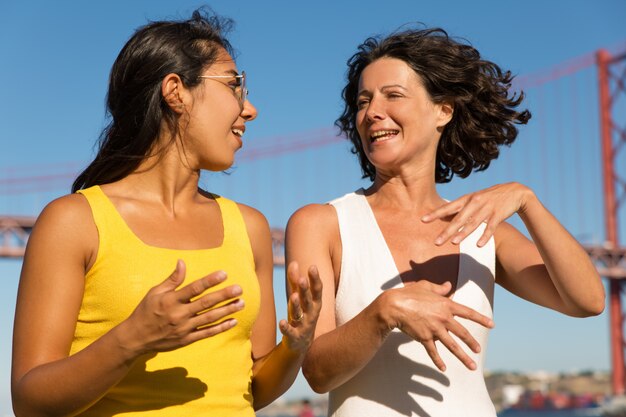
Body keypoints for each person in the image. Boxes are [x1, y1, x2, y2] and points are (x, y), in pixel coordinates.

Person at [11, 9, 321, 417]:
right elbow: (29, 402)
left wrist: (295, 346)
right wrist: (132, 339)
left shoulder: (250, 228)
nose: (251, 110)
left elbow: (253, 387)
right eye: (235, 86)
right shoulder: (73, 222)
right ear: (176, 91)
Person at [285, 27, 605, 417]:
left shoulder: (484, 231)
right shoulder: (321, 223)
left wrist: (527, 201)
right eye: (363, 100)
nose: (371, 113)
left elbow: (588, 301)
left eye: (393, 95)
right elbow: (317, 373)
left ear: (444, 110)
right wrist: (384, 312)